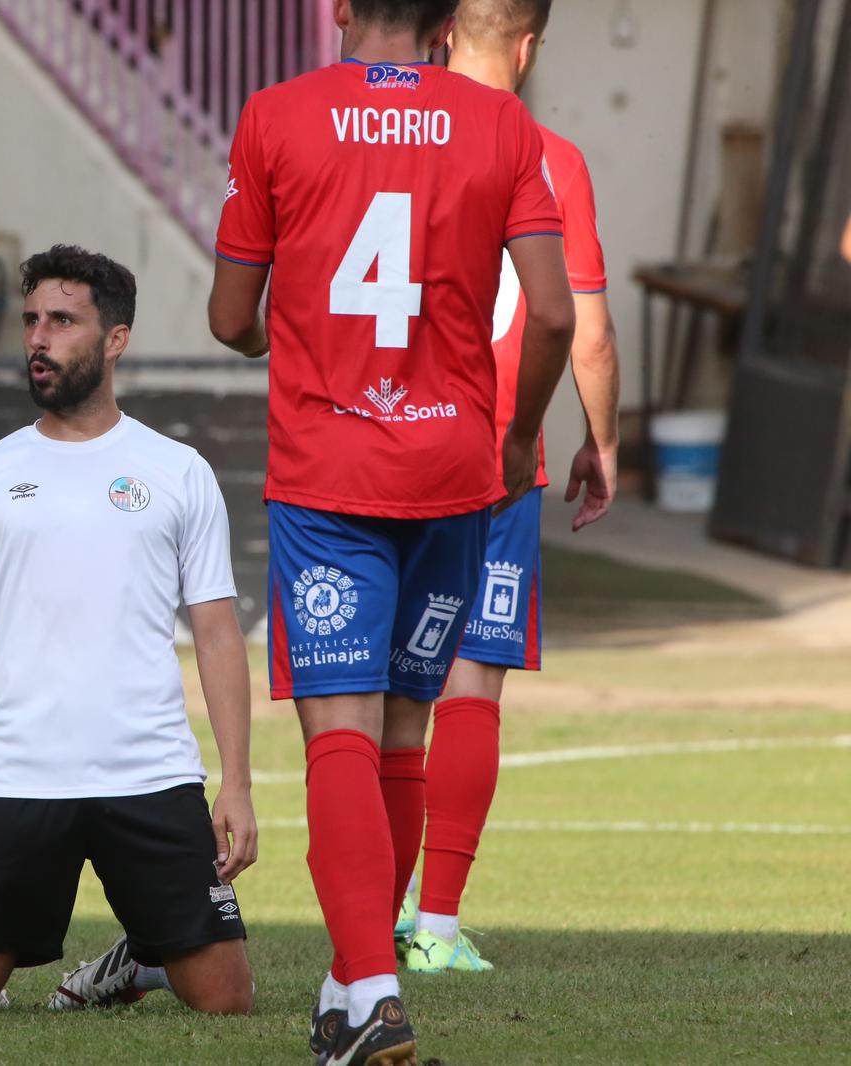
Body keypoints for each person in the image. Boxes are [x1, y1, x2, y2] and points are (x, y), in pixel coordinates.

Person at [208, 0, 576, 1061]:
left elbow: (230, 319)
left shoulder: (276, 116)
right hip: (456, 470)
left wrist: (280, 328)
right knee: (407, 731)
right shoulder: (503, 124)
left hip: (330, 471)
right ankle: (349, 979)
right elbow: (553, 313)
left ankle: (372, 989)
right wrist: (518, 438)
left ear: (337, 7)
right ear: (444, 19)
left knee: (339, 730)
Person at [0, 245, 258, 1017]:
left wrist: (238, 784)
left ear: (115, 339)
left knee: (226, 1002)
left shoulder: (179, 471)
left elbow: (218, 636)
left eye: (61, 321)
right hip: (22, 777)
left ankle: (138, 959)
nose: (38, 339)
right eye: (30, 321)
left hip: (152, 774)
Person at [395, 0, 622, 976]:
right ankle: (436, 929)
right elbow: (584, 330)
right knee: (471, 682)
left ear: (445, 30)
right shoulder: (549, 157)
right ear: (527, 46)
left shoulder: (385, 137)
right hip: (494, 456)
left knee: (386, 691)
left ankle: (369, 917)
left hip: (387, 442)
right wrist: (600, 440)